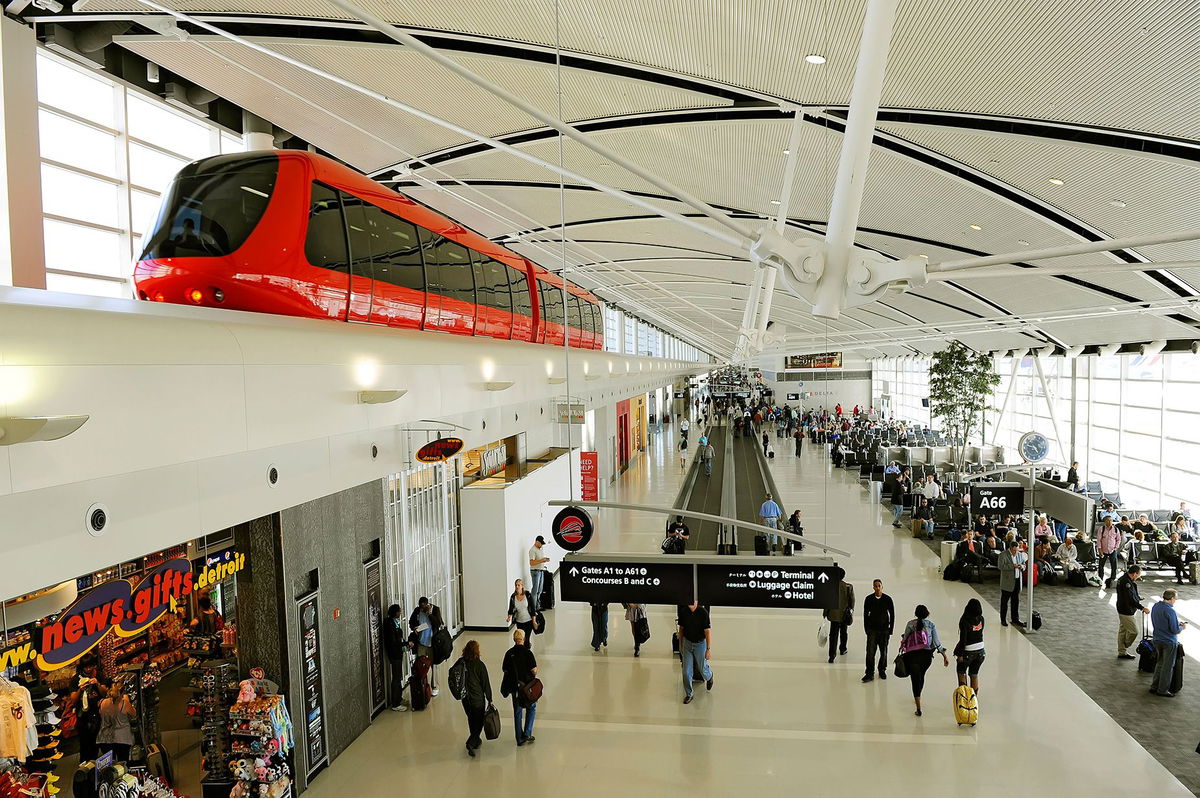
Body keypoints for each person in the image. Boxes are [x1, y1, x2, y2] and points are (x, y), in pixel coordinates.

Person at [898, 605, 949, 717]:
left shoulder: (910, 624)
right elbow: (937, 643)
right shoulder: (931, 625)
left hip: (912, 656)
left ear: (916, 613)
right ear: (927, 614)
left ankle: (918, 707)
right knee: (921, 676)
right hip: (926, 657)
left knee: (915, 679)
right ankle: (919, 695)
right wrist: (944, 655)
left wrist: (902, 647)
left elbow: (905, 638)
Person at [500, 629, 539, 746]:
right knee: (531, 707)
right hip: (527, 687)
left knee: (517, 712)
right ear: (524, 639)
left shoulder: (509, 653)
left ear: (514, 639)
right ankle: (527, 733)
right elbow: (534, 671)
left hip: (514, 687)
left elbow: (504, 669)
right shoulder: (528, 653)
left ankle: (519, 738)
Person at [1149, 589, 1188, 697]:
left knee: (1160, 663)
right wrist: (1182, 627)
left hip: (1157, 639)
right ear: (1171, 599)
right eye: (1175, 598)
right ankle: (1162, 690)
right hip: (1169, 641)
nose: (1176, 600)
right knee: (1168, 666)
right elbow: (1175, 630)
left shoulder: (1156, 606)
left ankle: (1154, 686)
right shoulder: (1170, 611)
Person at [459, 640, 493, 756]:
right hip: (477, 699)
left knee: (471, 718)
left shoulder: (461, 662)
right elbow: (485, 683)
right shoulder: (479, 665)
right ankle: (471, 742)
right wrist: (490, 698)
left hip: (465, 698)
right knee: (479, 721)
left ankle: (476, 740)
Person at [676, 602, 713, 704]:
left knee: (702, 668)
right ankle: (689, 694)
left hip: (700, 644)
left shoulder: (703, 613)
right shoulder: (683, 612)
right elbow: (681, 629)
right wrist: (680, 644)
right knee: (686, 672)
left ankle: (709, 677)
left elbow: (707, 632)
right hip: (688, 643)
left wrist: (708, 649)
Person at [69, 657, 104, 759]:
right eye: (86, 667)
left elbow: (105, 693)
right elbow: (73, 700)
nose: (88, 669)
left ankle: (94, 763)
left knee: (96, 742)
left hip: (98, 714)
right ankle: (84, 765)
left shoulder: (99, 675)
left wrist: (97, 684)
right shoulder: (76, 679)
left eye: (90, 667)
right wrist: (80, 689)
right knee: (84, 743)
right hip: (83, 716)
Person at [410, 597, 445, 695]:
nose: (421, 609)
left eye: (423, 607)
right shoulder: (417, 611)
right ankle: (422, 684)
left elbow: (438, 624)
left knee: (433, 664)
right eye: (420, 607)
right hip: (421, 642)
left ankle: (435, 686)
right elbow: (411, 622)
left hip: (432, 642)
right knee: (420, 663)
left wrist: (429, 614)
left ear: (427, 604)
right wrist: (414, 628)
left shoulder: (435, 610)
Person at [861, 579, 894, 683]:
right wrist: (866, 629)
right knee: (870, 652)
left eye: (879, 585)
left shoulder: (887, 599)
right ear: (873, 587)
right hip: (872, 630)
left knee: (883, 652)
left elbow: (892, 615)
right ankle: (869, 673)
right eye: (875, 586)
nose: (877, 587)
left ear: (882, 587)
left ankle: (882, 670)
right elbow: (865, 614)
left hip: (884, 630)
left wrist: (890, 629)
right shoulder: (869, 599)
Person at [1115, 565, 1150, 660]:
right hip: (1126, 610)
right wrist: (1142, 607)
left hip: (1123, 608)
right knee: (1134, 631)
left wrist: (1137, 598)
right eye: (1139, 575)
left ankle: (1122, 651)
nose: (1139, 577)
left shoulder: (1125, 579)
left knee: (1123, 631)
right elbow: (1129, 598)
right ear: (1134, 574)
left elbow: (1131, 594)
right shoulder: (1127, 582)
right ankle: (1125, 645)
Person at [96, 682, 135, 762]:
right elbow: (134, 714)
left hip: (105, 738)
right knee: (122, 764)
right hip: (122, 738)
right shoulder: (125, 703)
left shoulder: (102, 702)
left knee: (109, 766)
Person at [955, 598, 986, 697]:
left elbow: (963, 639)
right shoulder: (981, 619)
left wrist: (960, 655)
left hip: (968, 651)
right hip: (981, 651)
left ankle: (964, 697)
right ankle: (974, 698)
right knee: (974, 674)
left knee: (961, 672)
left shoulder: (964, 620)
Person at [822, 574, 855, 664]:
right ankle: (843, 648)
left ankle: (832, 655)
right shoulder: (848, 586)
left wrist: (825, 612)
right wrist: (851, 610)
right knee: (844, 633)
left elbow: (827, 600)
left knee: (833, 635)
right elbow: (852, 600)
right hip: (844, 614)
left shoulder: (830, 586)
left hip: (834, 615)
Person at [383, 604, 409, 711]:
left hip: (398, 652)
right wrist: (406, 644)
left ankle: (399, 697)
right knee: (396, 678)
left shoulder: (394, 622)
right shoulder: (390, 624)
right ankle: (395, 703)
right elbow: (394, 642)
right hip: (394, 654)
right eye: (399, 611)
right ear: (395, 612)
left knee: (399, 676)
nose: (400, 613)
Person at [998, 541, 1026, 628]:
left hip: (1017, 580)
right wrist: (1013, 566)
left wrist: (1021, 567)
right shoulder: (1003, 555)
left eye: (1016, 550)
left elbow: (1024, 565)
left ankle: (1015, 619)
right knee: (1004, 602)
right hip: (1007, 582)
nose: (1015, 552)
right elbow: (1000, 566)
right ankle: (1003, 619)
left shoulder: (1019, 554)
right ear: (1010, 548)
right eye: (1014, 550)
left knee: (1015, 601)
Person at [506, 579, 536, 647]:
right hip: (519, 622)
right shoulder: (513, 597)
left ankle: (527, 651)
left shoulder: (527, 595)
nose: (517, 587)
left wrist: (534, 621)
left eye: (518, 585)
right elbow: (511, 609)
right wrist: (509, 617)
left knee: (526, 639)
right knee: (520, 639)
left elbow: (533, 608)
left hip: (528, 621)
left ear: (522, 586)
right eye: (516, 585)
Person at [1096, 515, 1121, 589]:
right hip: (1103, 550)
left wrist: (1116, 547)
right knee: (1101, 566)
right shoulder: (1101, 529)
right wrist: (1100, 550)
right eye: (1108, 520)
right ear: (1105, 521)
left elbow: (1118, 539)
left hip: (1112, 550)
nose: (1109, 522)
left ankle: (1112, 581)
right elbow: (1098, 540)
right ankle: (1100, 580)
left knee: (1114, 566)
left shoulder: (1116, 529)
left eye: (1111, 520)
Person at [528, 536, 551, 610]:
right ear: (537, 542)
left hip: (541, 571)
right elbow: (531, 563)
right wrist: (542, 561)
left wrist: (545, 560)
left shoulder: (540, 548)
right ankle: (533, 608)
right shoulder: (532, 550)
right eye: (541, 543)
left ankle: (538, 606)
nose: (542, 545)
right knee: (535, 590)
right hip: (535, 571)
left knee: (540, 590)